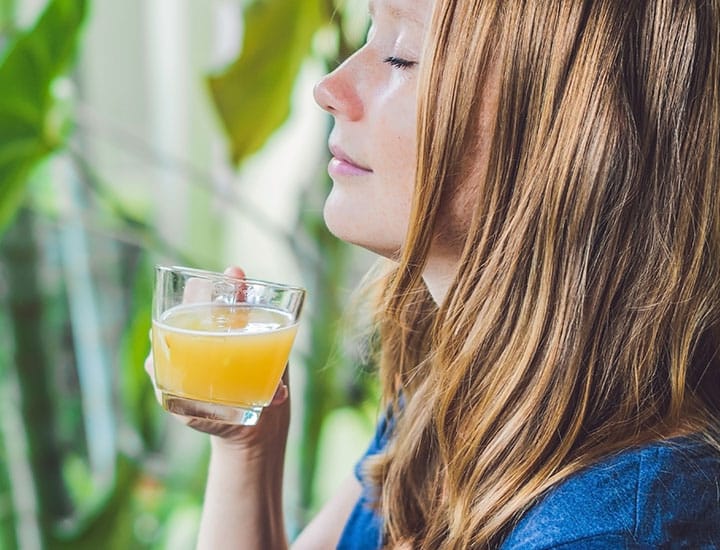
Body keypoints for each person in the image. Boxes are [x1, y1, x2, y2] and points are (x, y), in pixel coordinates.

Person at [146, 0, 720, 547]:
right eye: (372, 33)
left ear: (567, 133)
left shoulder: (614, 530)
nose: (329, 89)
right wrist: (249, 446)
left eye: (401, 55)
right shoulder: (458, 376)